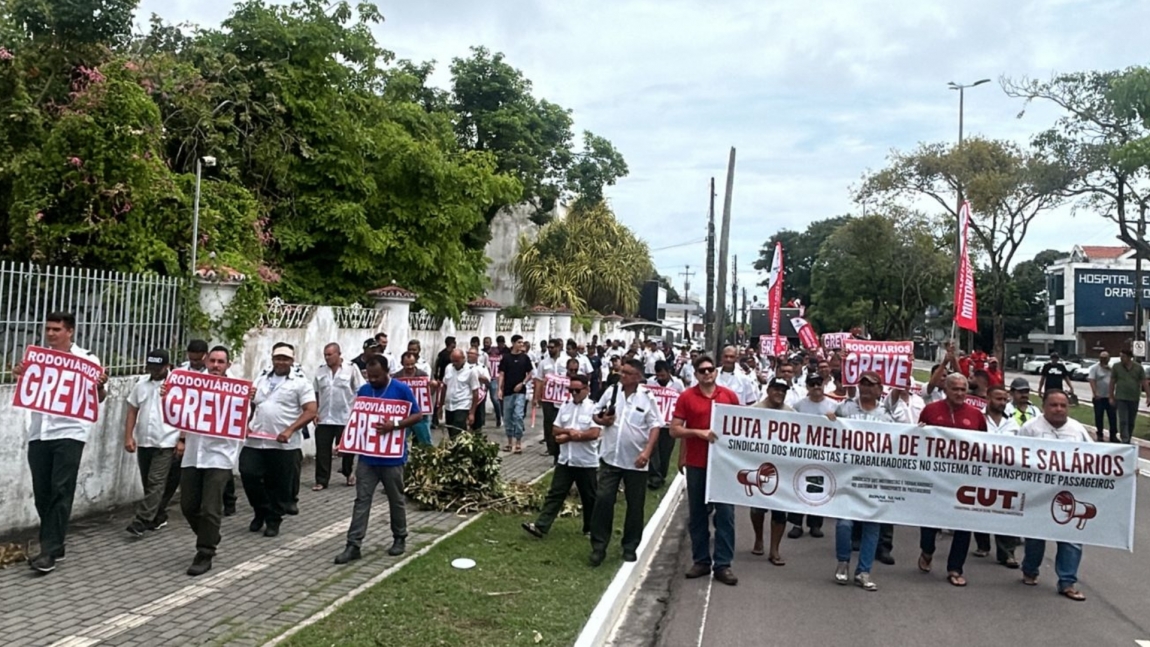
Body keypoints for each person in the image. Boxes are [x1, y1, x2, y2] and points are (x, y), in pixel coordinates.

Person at [16, 312, 108, 573]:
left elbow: (98, 397)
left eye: (56, 329)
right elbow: (29, 388)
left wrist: (100, 385)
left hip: (70, 433)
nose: (51, 334)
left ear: (70, 331)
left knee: (61, 488)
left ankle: (49, 550)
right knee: (42, 491)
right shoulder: (38, 359)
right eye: (48, 329)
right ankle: (56, 542)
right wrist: (21, 374)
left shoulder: (87, 359)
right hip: (39, 432)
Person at [335, 356, 423, 563]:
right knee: (361, 501)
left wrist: (395, 424)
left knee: (396, 499)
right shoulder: (364, 391)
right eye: (369, 376)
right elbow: (357, 420)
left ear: (387, 372)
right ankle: (353, 544)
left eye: (376, 376)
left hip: (392, 458)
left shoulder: (401, 390)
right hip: (367, 458)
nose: (372, 380)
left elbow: (417, 415)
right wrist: (345, 442)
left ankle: (399, 537)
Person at [829, 370, 903, 590]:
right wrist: (830, 420)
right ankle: (843, 562)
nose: (867, 388)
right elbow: (828, 432)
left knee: (872, 526)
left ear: (880, 389)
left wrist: (916, 433)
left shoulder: (885, 415)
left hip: (875, 479)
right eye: (864, 384)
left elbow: (900, 440)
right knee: (844, 523)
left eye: (872, 385)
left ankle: (864, 571)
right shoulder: (846, 408)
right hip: (847, 477)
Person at [671, 354, 741, 586]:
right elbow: (675, 429)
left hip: (723, 465)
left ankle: (723, 563)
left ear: (716, 372)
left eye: (710, 369)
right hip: (697, 463)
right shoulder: (686, 397)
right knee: (698, 514)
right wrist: (697, 433)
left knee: (726, 515)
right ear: (696, 374)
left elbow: (742, 427)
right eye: (702, 371)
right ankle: (701, 560)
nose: (707, 373)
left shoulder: (729, 396)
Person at [179, 346, 247, 576]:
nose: (216, 365)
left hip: (220, 454)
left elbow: (243, 421)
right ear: (207, 361)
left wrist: (249, 403)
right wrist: (168, 395)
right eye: (213, 361)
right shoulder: (192, 383)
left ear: (228, 364)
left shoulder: (237, 388)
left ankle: (205, 551)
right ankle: (209, 533)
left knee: (210, 507)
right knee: (188, 505)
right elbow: (178, 409)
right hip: (193, 452)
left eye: (221, 362)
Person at [1017, 390, 1091, 600]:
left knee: (1071, 539)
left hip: (1069, 495)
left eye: (1063, 405)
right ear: (1044, 407)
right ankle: (1030, 570)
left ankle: (1067, 582)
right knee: (1035, 538)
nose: (1058, 409)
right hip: (1037, 495)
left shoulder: (1077, 430)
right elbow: (1015, 456)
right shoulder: (1030, 428)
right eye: (1053, 405)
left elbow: (1097, 460)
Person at [588, 359, 662, 566]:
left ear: (638, 377)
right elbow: (596, 412)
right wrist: (602, 420)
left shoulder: (647, 398)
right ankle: (599, 545)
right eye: (622, 372)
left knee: (635, 505)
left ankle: (630, 546)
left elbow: (655, 426)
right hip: (611, 457)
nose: (623, 376)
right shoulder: (612, 391)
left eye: (628, 373)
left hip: (636, 461)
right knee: (603, 500)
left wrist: (647, 452)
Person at [917, 373, 987, 587]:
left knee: (963, 524)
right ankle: (927, 550)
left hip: (964, 481)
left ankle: (955, 568)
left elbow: (985, 446)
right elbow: (916, 440)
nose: (959, 393)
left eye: (963, 389)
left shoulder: (976, 416)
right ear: (945, 390)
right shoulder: (931, 410)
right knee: (929, 523)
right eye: (954, 389)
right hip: (935, 479)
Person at [242, 343, 317, 538]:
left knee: (279, 485)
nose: (281, 362)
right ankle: (260, 511)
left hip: (283, 444)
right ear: (272, 359)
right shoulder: (261, 378)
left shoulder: (300, 382)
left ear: (292, 361)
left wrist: (290, 430)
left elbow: (311, 411)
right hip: (256, 440)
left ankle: (273, 520)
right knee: (248, 474)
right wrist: (246, 422)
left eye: (285, 359)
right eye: (278, 358)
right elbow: (252, 405)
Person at [522, 374, 600, 540]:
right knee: (555, 494)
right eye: (571, 390)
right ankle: (541, 526)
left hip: (585, 461)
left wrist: (570, 437)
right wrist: (569, 433)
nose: (573, 394)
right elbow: (555, 429)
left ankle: (591, 529)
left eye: (577, 390)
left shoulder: (594, 408)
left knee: (589, 497)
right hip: (566, 460)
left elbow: (594, 433)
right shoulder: (565, 406)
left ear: (587, 389)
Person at [123, 349, 178, 537]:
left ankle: (142, 520)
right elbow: (132, 410)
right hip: (146, 440)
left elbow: (187, 413)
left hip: (167, 440)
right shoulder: (141, 385)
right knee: (148, 482)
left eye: (158, 368)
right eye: (151, 367)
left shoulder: (178, 385)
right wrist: (128, 436)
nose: (154, 371)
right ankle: (158, 515)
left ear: (167, 366)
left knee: (156, 481)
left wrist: (182, 440)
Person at [749, 378, 793, 565]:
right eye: (776, 389)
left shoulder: (791, 413)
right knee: (758, 509)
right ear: (768, 390)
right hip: (760, 467)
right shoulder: (755, 410)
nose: (779, 393)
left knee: (779, 511)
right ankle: (759, 538)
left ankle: (774, 550)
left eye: (783, 390)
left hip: (782, 469)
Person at [786, 373, 834, 540]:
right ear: (807, 387)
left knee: (818, 489)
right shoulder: (799, 406)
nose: (816, 387)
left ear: (823, 385)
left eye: (818, 383)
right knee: (799, 487)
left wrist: (834, 420)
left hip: (823, 454)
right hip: (802, 453)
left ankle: (815, 524)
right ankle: (796, 524)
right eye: (812, 384)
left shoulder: (834, 406)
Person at [313, 342, 364, 490]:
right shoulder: (320, 371)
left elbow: (360, 389)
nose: (327, 358)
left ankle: (348, 473)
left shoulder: (351, 369)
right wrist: (315, 411)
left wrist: (357, 412)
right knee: (322, 450)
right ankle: (321, 480)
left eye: (330, 354)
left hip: (345, 416)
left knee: (346, 449)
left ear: (338, 354)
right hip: (324, 417)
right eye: (325, 355)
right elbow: (315, 392)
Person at [982, 385, 1021, 568]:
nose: (1002, 403)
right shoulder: (978, 418)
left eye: (1005, 400)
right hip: (980, 472)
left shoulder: (1013, 423)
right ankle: (982, 544)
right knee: (979, 509)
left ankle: (1007, 554)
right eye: (998, 399)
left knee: (1007, 512)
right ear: (988, 398)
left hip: (1006, 475)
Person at [646, 360, 685, 490]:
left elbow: (682, 400)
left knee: (665, 451)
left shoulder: (678, 384)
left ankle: (662, 474)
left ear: (669, 372)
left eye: (663, 375)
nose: (660, 378)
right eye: (658, 376)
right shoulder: (650, 383)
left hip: (670, 424)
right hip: (655, 423)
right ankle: (654, 477)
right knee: (653, 449)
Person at [498, 335, 534, 454]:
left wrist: (522, 383)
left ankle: (518, 441)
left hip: (520, 392)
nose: (521, 345)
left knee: (518, 416)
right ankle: (509, 442)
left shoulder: (525, 358)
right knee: (507, 417)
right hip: (508, 391)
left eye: (522, 343)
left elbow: (530, 373)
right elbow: (502, 374)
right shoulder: (506, 358)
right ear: (513, 343)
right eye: (518, 342)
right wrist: (500, 389)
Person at [533, 338, 566, 461]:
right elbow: (539, 380)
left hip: (562, 399)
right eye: (549, 348)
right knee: (549, 424)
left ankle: (560, 450)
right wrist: (536, 397)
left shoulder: (566, 360)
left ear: (558, 347)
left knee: (561, 424)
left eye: (552, 347)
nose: (550, 350)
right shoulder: (543, 363)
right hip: (548, 399)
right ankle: (552, 449)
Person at [1109, 348, 1149, 444]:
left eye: (1123, 356)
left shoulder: (1138, 368)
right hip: (1121, 397)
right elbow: (1112, 382)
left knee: (1131, 420)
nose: (1121, 358)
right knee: (1123, 420)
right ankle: (1125, 440)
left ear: (1129, 357)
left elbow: (1144, 382)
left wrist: (1148, 396)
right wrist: (1111, 396)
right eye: (1120, 356)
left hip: (1134, 397)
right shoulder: (1116, 367)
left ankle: (1129, 436)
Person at [392, 352, 432, 445]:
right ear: (402, 363)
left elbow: (429, 394)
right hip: (404, 415)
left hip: (421, 414)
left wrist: (433, 386)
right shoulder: (397, 377)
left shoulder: (423, 375)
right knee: (400, 442)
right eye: (407, 364)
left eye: (412, 364)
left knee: (425, 442)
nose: (410, 367)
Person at [441, 348, 480, 439]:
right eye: (453, 361)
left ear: (463, 358)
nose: (455, 363)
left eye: (457, 361)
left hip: (463, 405)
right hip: (449, 406)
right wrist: (440, 405)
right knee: (450, 431)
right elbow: (444, 386)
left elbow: (475, 392)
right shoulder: (448, 368)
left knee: (457, 431)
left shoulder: (471, 371)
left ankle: (458, 452)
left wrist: (472, 413)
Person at [1087, 352, 1116, 442]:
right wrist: (1096, 393)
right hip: (1099, 397)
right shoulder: (1094, 368)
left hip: (1110, 396)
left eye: (1106, 358)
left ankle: (1113, 435)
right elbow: (1092, 380)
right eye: (1102, 358)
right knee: (1099, 416)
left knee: (1112, 416)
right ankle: (1100, 434)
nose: (1104, 360)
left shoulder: (1111, 369)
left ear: (1109, 358)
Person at [467, 347, 492, 431]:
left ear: (477, 356)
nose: (469, 355)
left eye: (471, 354)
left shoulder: (482, 367)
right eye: (468, 353)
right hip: (466, 395)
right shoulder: (464, 366)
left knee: (478, 418)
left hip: (479, 395)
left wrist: (479, 377)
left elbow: (488, 381)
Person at [486, 336, 504, 427]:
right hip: (486, 378)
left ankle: (499, 417)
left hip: (494, 379)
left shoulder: (501, 357)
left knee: (494, 399)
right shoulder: (485, 355)